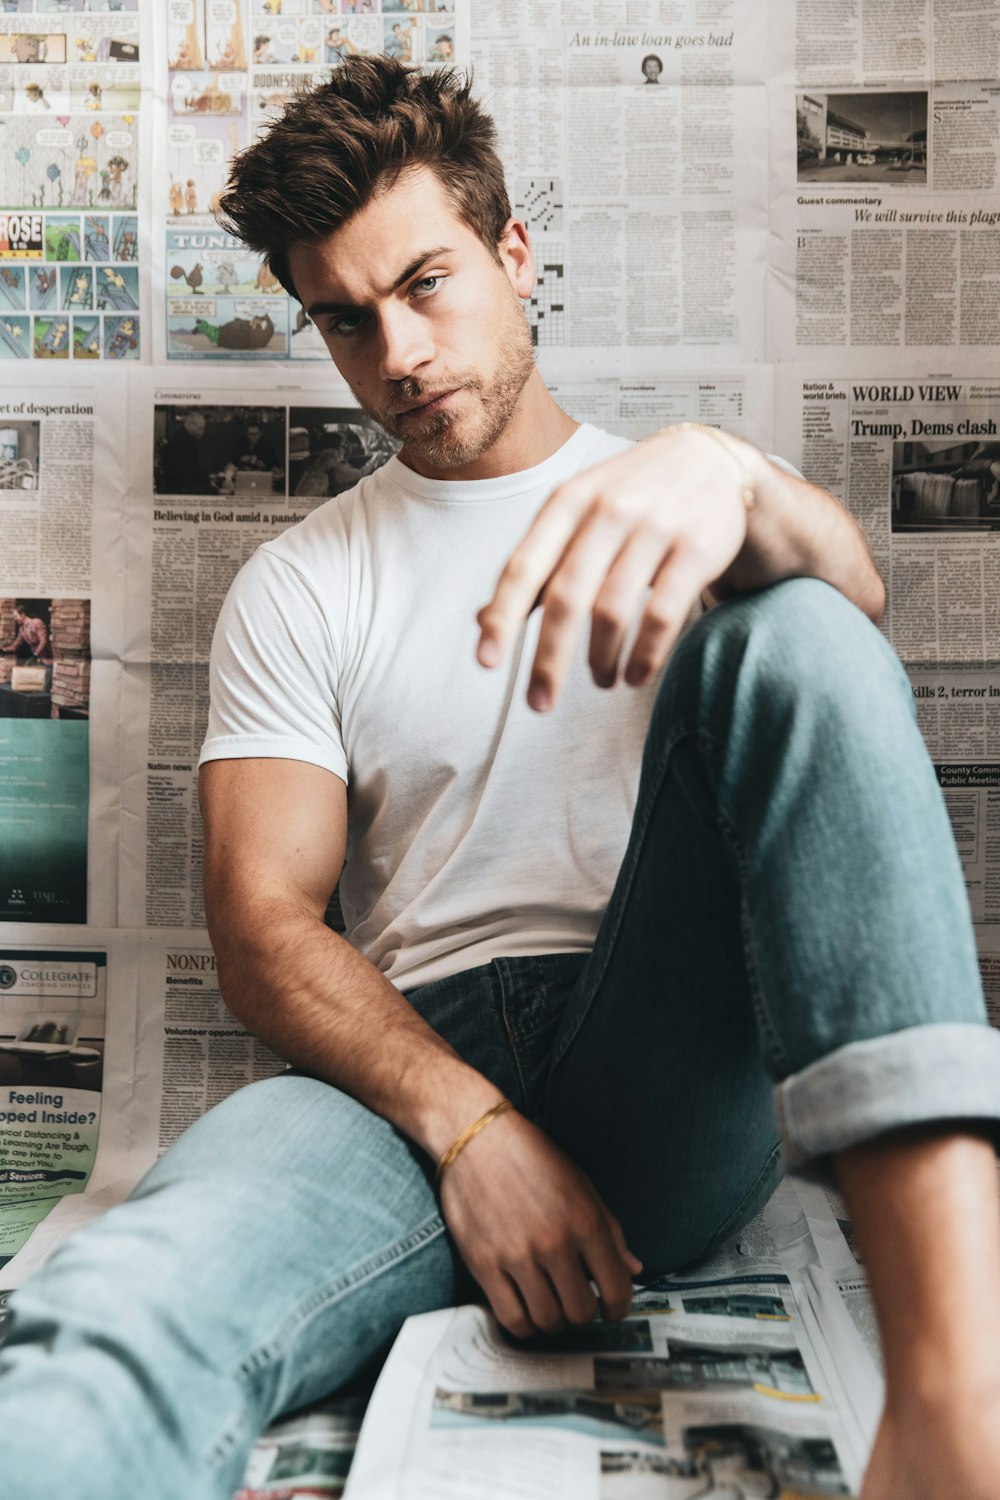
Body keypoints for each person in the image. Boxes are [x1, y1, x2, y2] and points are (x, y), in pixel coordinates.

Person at [2, 57, 1000, 1500]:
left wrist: (726, 470)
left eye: (426, 286)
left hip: (661, 1044)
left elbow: (850, 644)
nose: (395, 354)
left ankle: (956, 1405)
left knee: (789, 619)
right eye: (346, 321)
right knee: (115, 1303)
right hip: (397, 1091)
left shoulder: (688, 494)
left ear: (515, 256)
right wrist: (471, 1126)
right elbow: (266, 929)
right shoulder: (302, 581)